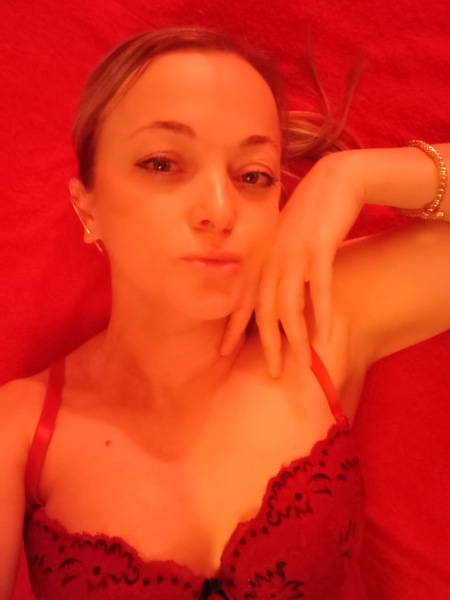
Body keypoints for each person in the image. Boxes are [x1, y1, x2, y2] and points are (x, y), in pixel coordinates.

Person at [1, 26, 449, 600]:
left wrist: (354, 177)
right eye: (162, 164)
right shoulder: (20, 431)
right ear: (87, 207)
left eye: (254, 176)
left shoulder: (321, 321)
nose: (219, 210)